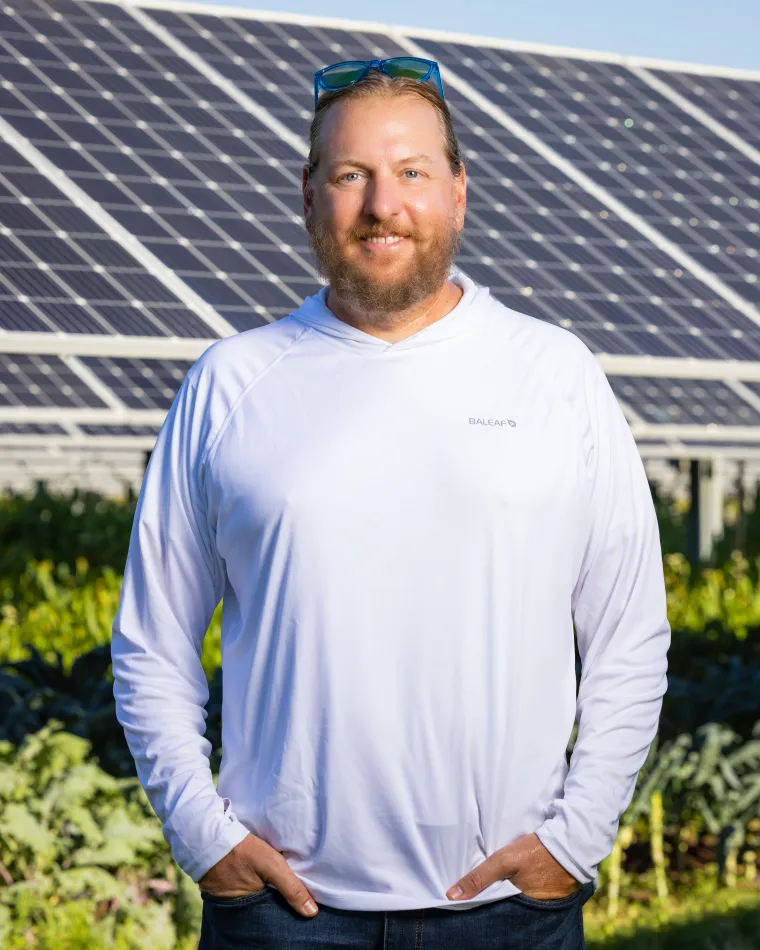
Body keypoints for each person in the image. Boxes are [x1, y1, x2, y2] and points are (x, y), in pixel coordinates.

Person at [111, 57, 671, 950]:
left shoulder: (555, 374)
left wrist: (574, 840)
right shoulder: (231, 383)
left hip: (510, 916)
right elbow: (152, 637)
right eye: (350, 175)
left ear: (458, 190)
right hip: (281, 915)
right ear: (309, 194)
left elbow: (628, 633)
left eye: (411, 172)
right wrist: (202, 836)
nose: (383, 204)